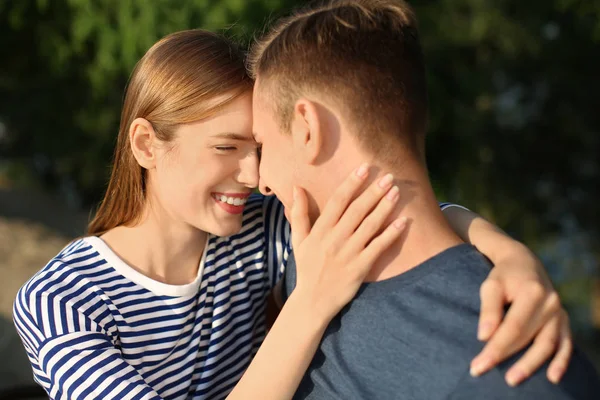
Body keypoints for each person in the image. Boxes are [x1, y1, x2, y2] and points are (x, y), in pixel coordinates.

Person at [12, 28, 571, 400]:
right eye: (226, 148)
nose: (255, 176)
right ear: (146, 145)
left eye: (256, 149)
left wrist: (510, 256)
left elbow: (398, 209)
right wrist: (311, 302)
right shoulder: (59, 304)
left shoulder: (258, 229)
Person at [247, 0, 600, 398]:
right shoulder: (313, 260)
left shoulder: (516, 371)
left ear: (307, 127)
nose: (260, 181)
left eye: (262, 145)